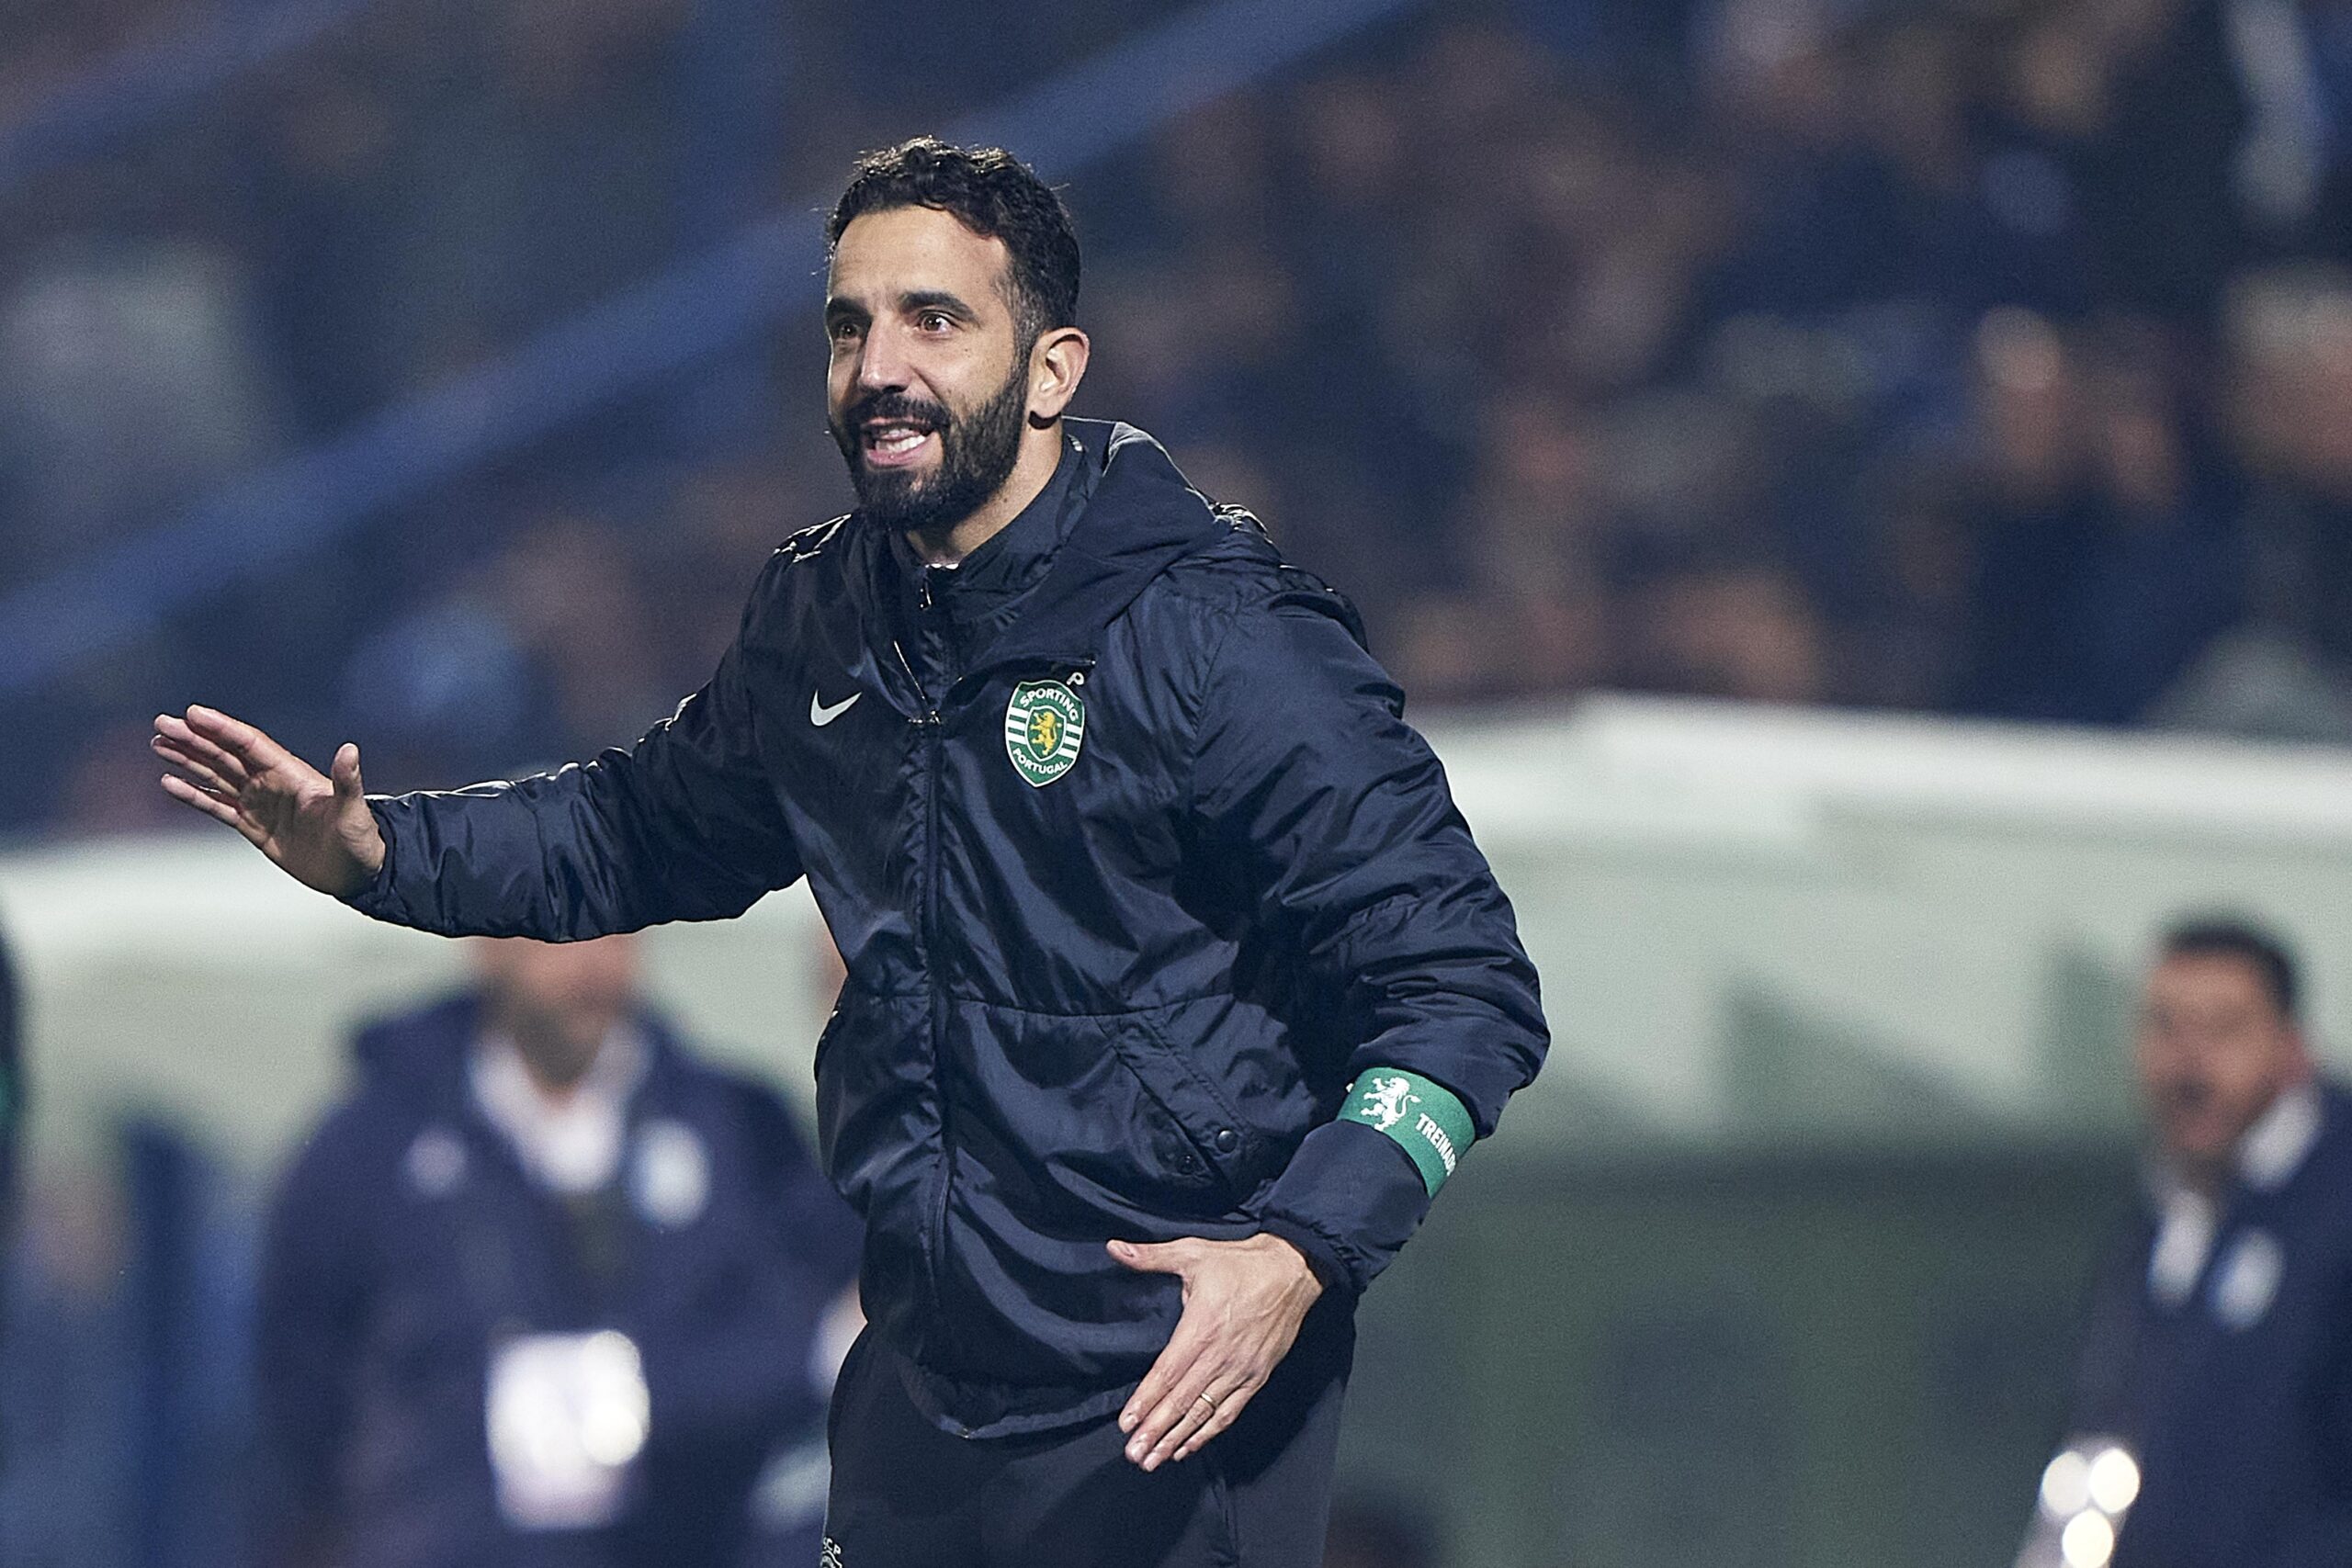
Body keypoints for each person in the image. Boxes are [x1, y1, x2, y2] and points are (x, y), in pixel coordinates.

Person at [156, 138, 1549, 1567]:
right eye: (848, 326)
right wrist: (379, 849)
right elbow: (633, 828)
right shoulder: (819, 618)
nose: (879, 365)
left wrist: (1301, 1246)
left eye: (934, 320)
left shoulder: (1220, 633)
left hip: (1163, 1392)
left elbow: (1465, 984)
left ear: (1053, 370)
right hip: (919, 1394)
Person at [253, 934, 860, 1568]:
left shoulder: (742, 1132)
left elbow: (823, 1330)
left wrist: (681, 1391)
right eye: (556, 929)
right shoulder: (368, 1148)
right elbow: (300, 1404)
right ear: (485, 940)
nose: (590, 958)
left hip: (691, 1541)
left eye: (618, 924)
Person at [2020, 919, 2352, 1568]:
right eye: (2166, 1027)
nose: (2189, 1061)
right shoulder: (2159, 1218)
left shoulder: (2334, 1211)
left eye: (2224, 1028)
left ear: (2291, 1047)